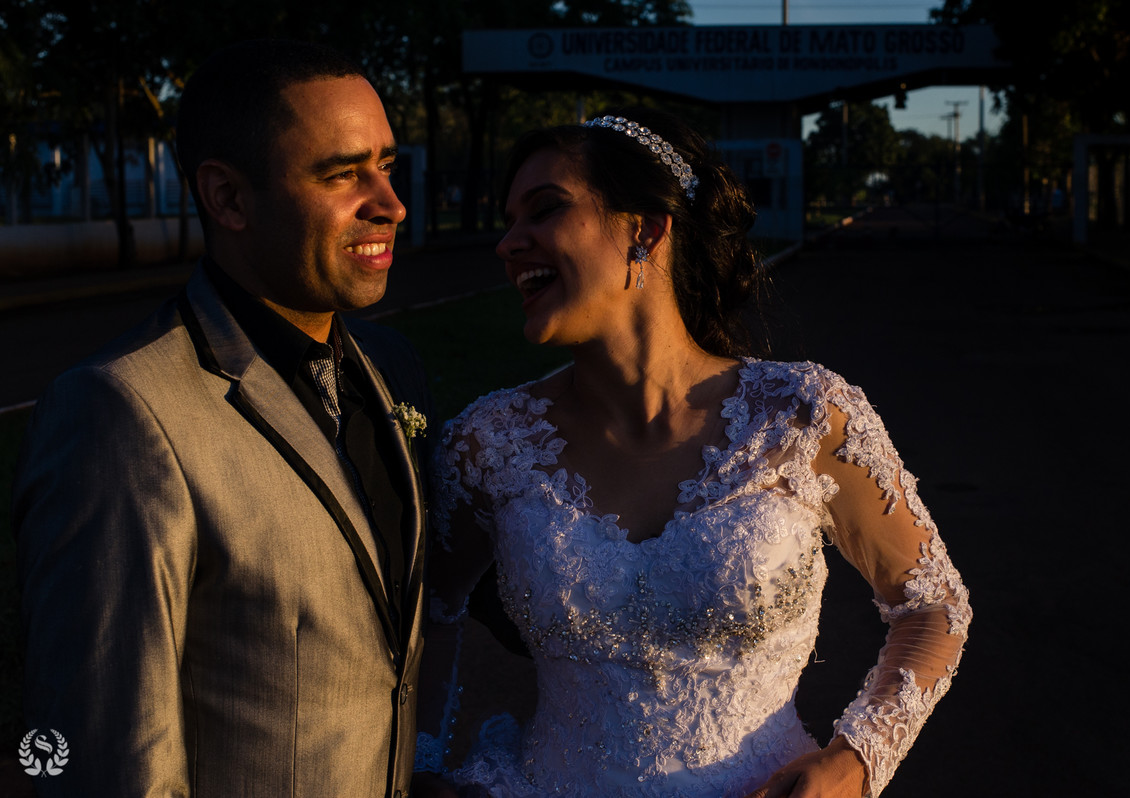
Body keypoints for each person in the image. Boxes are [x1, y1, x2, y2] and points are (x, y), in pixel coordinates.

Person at [415, 110, 971, 798]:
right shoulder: (489, 443)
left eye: (545, 209)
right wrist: (426, 764)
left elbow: (933, 605)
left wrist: (854, 761)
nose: (507, 243)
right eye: (506, 220)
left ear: (645, 229)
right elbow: (422, 618)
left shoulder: (802, 414)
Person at [14, 40, 433, 797]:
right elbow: (104, 755)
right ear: (229, 199)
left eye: (387, 165)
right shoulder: (119, 412)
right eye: (342, 174)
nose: (390, 203)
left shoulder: (390, 366)